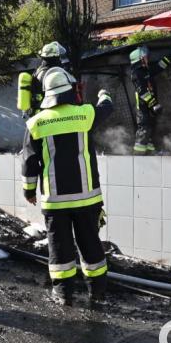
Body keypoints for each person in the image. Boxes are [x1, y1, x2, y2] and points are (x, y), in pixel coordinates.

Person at [20, 67, 114, 307]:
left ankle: (63, 294)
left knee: (60, 249)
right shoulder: (85, 114)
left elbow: (29, 162)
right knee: (91, 244)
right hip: (88, 199)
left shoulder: (36, 123)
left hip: (56, 202)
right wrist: (105, 95)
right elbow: (106, 109)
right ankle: (98, 293)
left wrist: (29, 191)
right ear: (69, 91)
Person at [130, 45, 170, 155]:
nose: (148, 59)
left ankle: (151, 155)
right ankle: (137, 156)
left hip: (150, 108)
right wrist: (154, 104)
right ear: (140, 60)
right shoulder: (136, 74)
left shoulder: (145, 71)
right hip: (143, 108)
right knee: (144, 129)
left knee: (151, 131)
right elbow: (142, 92)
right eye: (145, 57)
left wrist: (170, 57)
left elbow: (158, 67)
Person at [18, 42, 68, 118]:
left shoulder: (38, 71)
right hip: (55, 114)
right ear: (56, 56)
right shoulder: (57, 72)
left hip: (40, 114)